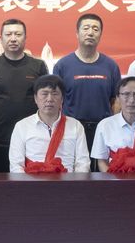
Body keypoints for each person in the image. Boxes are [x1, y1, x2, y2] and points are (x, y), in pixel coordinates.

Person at [0, 19, 48, 173]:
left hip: (32, 140)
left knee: (31, 185)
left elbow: (46, 102)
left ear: (25, 38)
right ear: (1, 39)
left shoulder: (38, 65)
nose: (13, 38)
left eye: (18, 34)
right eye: (8, 34)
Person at [52, 13, 121, 170]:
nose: (90, 33)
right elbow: (56, 100)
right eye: (86, 28)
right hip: (71, 129)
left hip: (102, 129)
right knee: (74, 173)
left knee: (100, 173)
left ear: (100, 34)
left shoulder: (111, 66)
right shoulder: (63, 65)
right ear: (77, 33)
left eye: (95, 29)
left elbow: (116, 101)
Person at [9, 75, 90, 173]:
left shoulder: (76, 126)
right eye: (44, 94)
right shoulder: (22, 126)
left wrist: (74, 182)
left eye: (55, 94)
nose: (50, 99)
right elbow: (16, 165)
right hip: (32, 181)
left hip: (67, 180)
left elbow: (83, 163)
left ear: (62, 99)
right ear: (35, 98)